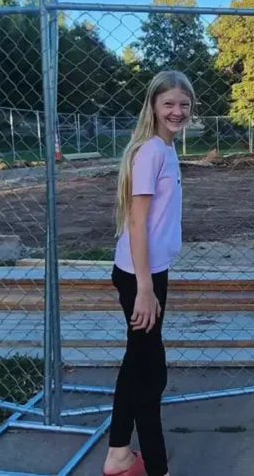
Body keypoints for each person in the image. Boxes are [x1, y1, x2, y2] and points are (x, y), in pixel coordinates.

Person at [102, 70, 194, 476]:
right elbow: (137, 223)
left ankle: (119, 454)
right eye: (169, 103)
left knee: (142, 366)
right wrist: (144, 289)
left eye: (184, 104)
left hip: (152, 272)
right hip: (140, 276)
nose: (177, 111)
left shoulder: (167, 150)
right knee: (149, 374)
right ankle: (149, 465)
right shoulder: (151, 152)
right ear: (153, 107)